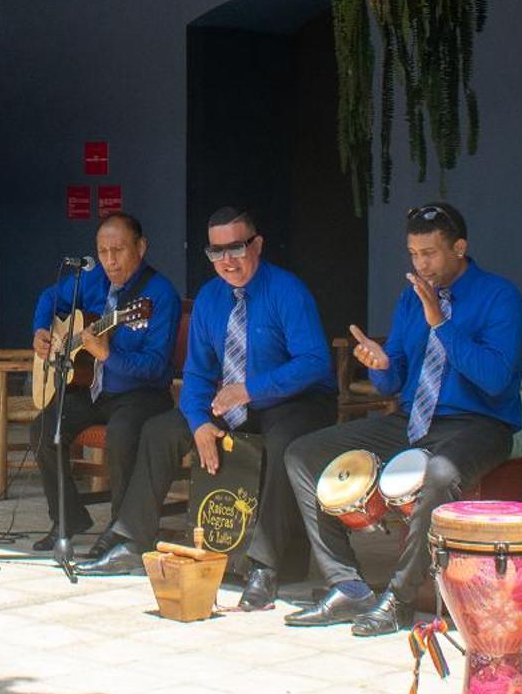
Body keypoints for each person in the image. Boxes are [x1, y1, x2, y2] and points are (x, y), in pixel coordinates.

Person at [284, 201, 522, 638]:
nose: (421, 264)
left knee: (438, 474)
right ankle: (347, 585)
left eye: (430, 253)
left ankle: (397, 598)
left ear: (460, 247)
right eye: (414, 254)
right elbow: (392, 379)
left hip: (479, 425)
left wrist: (441, 324)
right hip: (413, 421)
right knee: (304, 453)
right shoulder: (410, 296)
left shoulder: (498, 295)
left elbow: (494, 378)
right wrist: (377, 363)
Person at [77, 205, 335, 610]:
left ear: (258, 244)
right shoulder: (211, 298)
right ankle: (132, 540)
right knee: (162, 430)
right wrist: (197, 422)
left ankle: (264, 566)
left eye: (236, 248)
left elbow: (315, 362)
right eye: (216, 252)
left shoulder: (288, 290)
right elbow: (197, 374)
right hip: (234, 400)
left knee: (284, 441)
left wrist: (251, 389)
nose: (227, 261)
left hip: (296, 399)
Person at [29, 212, 181, 555]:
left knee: (123, 434)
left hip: (142, 394)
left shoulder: (159, 295)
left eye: (119, 250)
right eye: (102, 251)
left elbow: (156, 367)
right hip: (97, 390)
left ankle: (120, 530)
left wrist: (108, 355)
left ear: (141, 248)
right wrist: (42, 330)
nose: (110, 260)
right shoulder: (94, 280)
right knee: (43, 428)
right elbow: (48, 298)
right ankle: (67, 520)